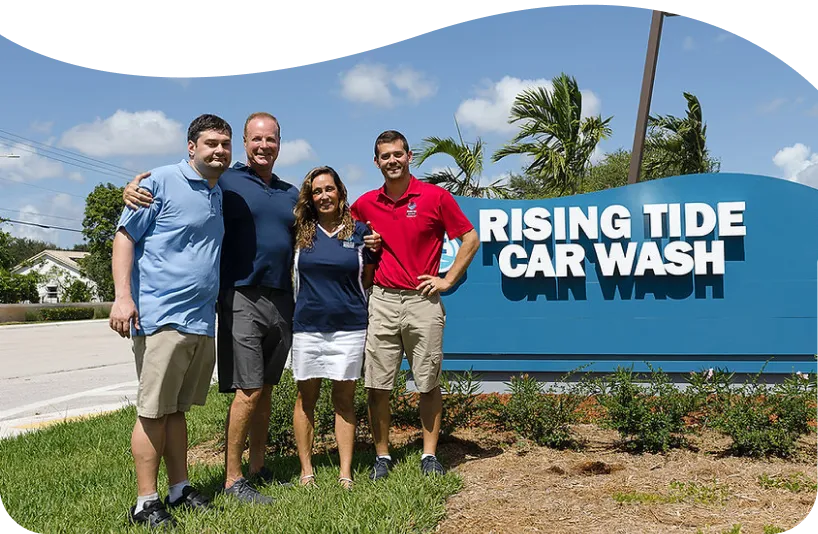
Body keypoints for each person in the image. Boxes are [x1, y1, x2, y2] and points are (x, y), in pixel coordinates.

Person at [121, 112, 381, 504]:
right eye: (256, 139)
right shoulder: (223, 180)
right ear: (246, 142)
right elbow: (180, 186)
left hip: (284, 299)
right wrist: (134, 188)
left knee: (267, 388)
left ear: (280, 143)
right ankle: (232, 478)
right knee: (248, 389)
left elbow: (332, 219)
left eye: (271, 140)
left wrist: (367, 237)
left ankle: (258, 467)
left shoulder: (292, 194)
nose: (263, 146)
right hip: (241, 296)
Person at [109, 113, 232, 528]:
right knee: (152, 412)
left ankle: (179, 489)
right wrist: (122, 298)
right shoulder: (158, 182)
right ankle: (145, 502)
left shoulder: (217, 190)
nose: (219, 150)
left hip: (199, 320)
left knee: (176, 411)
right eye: (211, 143)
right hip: (161, 317)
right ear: (191, 146)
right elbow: (125, 237)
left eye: (225, 144)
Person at [349, 129, 480, 481]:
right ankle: (382, 457)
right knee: (377, 384)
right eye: (384, 156)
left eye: (397, 154)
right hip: (383, 301)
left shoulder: (435, 197)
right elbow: (345, 238)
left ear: (409, 157)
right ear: (376, 162)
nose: (392, 160)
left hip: (423, 302)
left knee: (428, 382)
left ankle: (429, 455)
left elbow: (471, 238)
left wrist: (447, 279)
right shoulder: (364, 204)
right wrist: (363, 238)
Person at [290, 165, 379, 490]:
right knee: (306, 400)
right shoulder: (300, 232)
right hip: (308, 328)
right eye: (317, 191)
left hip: (349, 328)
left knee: (344, 400)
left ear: (341, 192)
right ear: (310, 198)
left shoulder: (361, 233)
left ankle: (345, 473)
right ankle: (306, 472)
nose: (324, 195)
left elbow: (366, 278)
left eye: (329, 189)